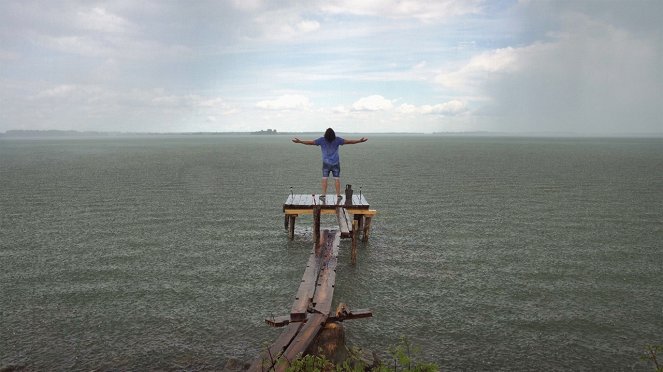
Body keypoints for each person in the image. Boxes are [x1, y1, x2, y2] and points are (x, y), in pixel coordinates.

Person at [292, 128, 367, 197]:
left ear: (325, 134)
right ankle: (338, 195)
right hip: (335, 163)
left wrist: (300, 141)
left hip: (326, 163)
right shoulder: (337, 140)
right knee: (336, 179)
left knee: (324, 179)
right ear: (333, 134)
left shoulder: (322, 140)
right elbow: (350, 142)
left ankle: (323, 194)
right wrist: (359, 141)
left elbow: (310, 142)